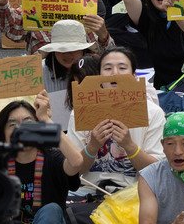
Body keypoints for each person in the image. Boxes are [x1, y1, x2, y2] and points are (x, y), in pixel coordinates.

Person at [0, 95, 84, 224]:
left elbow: (77, 162)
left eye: (28, 122)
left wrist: (45, 118)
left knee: (52, 210)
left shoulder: (52, 157)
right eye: (12, 124)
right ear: (3, 134)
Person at [66, 47, 164, 189]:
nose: (115, 73)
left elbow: (158, 172)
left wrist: (129, 146)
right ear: (99, 75)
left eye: (122, 68)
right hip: (89, 192)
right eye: (107, 68)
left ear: (134, 75)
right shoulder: (80, 111)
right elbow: (73, 170)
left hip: (134, 195)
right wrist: (92, 147)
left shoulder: (153, 113)